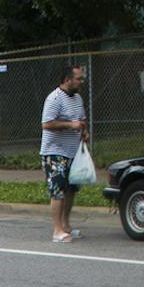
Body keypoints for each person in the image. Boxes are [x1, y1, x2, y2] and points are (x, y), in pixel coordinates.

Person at [40, 65, 87, 243]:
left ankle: (66, 226)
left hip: (72, 152)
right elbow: (46, 124)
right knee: (58, 190)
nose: (81, 81)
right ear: (67, 80)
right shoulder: (54, 98)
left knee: (70, 190)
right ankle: (57, 230)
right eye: (78, 79)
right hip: (54, 152)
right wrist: (70, 125)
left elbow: (81, 119)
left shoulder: (77, 98)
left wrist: (84, 130)